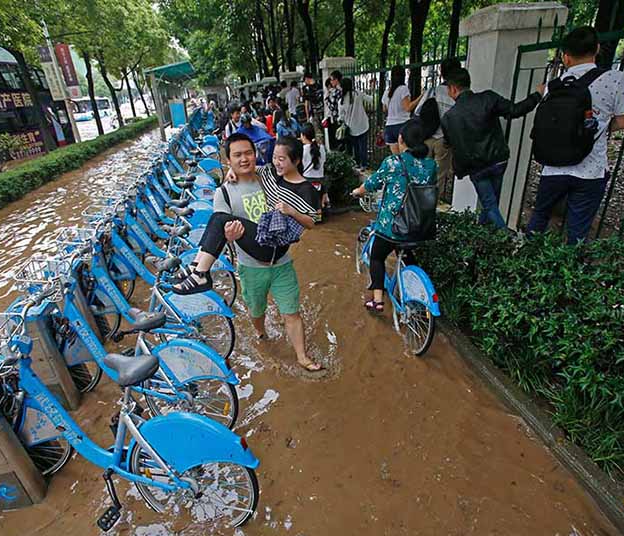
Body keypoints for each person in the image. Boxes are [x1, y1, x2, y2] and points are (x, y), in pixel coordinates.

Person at [171, 133, 322, 372]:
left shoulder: (269, 176)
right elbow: (220, 231)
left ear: (256, 154)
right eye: (237, 155)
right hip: (251, 263)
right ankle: (261, 334)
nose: (244, 159)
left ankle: (302, 357)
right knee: (256, 310)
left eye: (248, 153)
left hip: (281, 260)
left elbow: (307, 212)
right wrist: (230, 237)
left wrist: (294, 210)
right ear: (228, 160)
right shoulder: (224, 192)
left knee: (291, 313)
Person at [526, 26, 624, 244]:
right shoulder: (614, 79)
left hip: (553, 166)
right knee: (578, 228)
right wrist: (597, 128)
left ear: (565, 57)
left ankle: (526, 256)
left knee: (539, 216)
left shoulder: (553, 87)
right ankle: (571, 270)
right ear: (597, 49)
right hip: (590, 169)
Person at [441, 67, 544, 229]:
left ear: (453, 88)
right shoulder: (488, 98)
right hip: (498, 161)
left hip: (477, 168)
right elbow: (515, 110)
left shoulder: (449, 117)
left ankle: (506, 241)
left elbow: (448, 144)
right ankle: (482, 232)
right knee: (490, 203)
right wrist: (536, 95)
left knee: (489, 205)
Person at [351, 119, 436, 312]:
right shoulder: (430, 165)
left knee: (376, 256)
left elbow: (372, 183)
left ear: (401, 139)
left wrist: (357, 191)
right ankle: (417, 296)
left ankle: (378, 301)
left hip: (394, 226)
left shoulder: (393, 162)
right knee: (406, 252)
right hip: (420, 225)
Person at [413, 58, 461, 196]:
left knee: (423, 172)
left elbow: (418, 112)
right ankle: (432, 205)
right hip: (444, 141)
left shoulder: (432, 91)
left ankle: (418, 200)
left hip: (427, 137)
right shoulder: (457, 95)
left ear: (442, 72)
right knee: (438, 177)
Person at [382, 65, 423, 155]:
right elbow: (408, 108)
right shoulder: (403, 89)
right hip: (401, 126)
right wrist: (421, 97)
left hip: (389, 127)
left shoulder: (387, 91)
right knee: (405, 158)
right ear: (403, 76)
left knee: (397, 160)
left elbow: (384, 109)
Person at [338, 77, 371, 169]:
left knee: (355, 146)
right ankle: (364, 164)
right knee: (363, 145)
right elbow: (369, 99)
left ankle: (357, 162)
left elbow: (341, 116)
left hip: (351, 127)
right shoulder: (357, 94)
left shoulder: (341, 100)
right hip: (363, 124)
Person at [300, 123, 330, 218]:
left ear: (304, 135)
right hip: (321, 179)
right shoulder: (321, 148)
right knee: (322, 198)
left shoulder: (302, 150)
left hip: (308, 180)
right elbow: (324, 162)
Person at [325, 72, 343, 150]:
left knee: (337, 140)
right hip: (343, 117)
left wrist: (326, 99)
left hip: (337, 118)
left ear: (336, 80)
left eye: (332, 80)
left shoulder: (335, 92)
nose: (331, 82)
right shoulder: (342, 90)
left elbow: (332, 107)